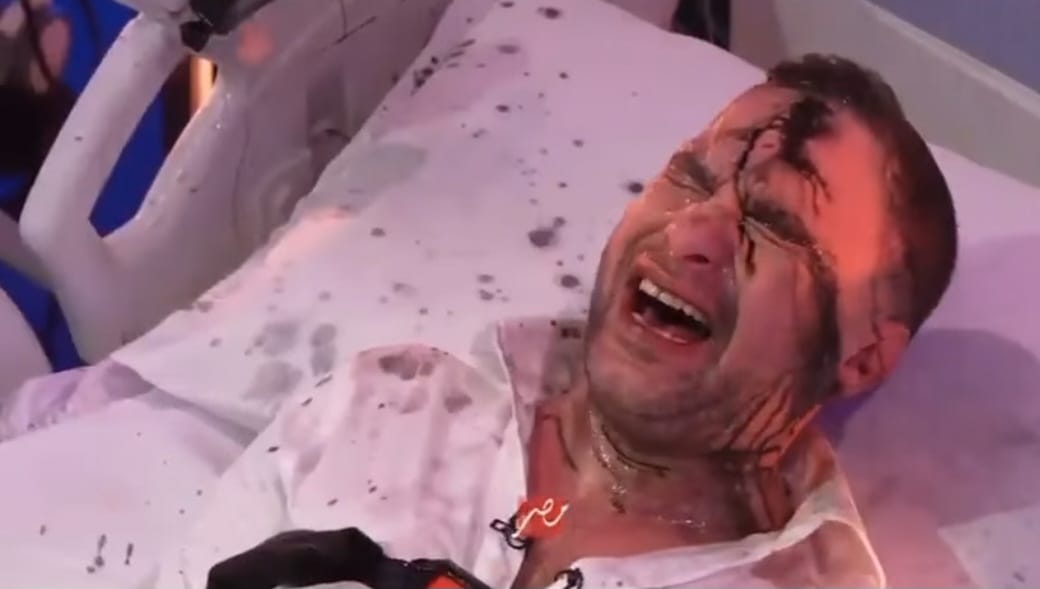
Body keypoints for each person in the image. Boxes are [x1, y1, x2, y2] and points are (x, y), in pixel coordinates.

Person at [159, 54, 959, 589]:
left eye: (776, 223)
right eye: (688, 176)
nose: (693, 229)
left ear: (861, 356)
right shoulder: (381, 406)